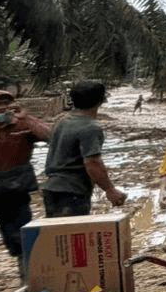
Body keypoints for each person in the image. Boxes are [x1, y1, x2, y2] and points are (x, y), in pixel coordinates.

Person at [41, 80, 127, 216]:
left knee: (57, 234)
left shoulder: (63, 121)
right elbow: (92, 162)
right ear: (101, 101)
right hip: (72, 192)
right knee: (72, 234)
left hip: (52, 189)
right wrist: (110, 190)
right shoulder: (90, 127)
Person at [0, 88, 49, 260]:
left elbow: (51, 135)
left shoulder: (22, 123)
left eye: (7, 103)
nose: (2, 108)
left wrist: (25, 117)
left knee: (21, 241)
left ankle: (28, 280)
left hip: (15, 191)